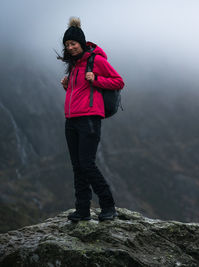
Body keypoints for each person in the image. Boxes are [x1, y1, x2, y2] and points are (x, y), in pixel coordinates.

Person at [59, 17, 125, 222]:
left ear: (81, 43)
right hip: (71, 120)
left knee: (87, 164)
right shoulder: (73, 65)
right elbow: (78, 91)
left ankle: (108, 205)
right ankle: (82, 210)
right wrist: (66, 85)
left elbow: (119, 81)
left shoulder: (95, 60)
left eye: (73, 44)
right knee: (77, 166)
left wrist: (96, 79)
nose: (70, 47)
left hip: (89, 119)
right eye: (67, 45)